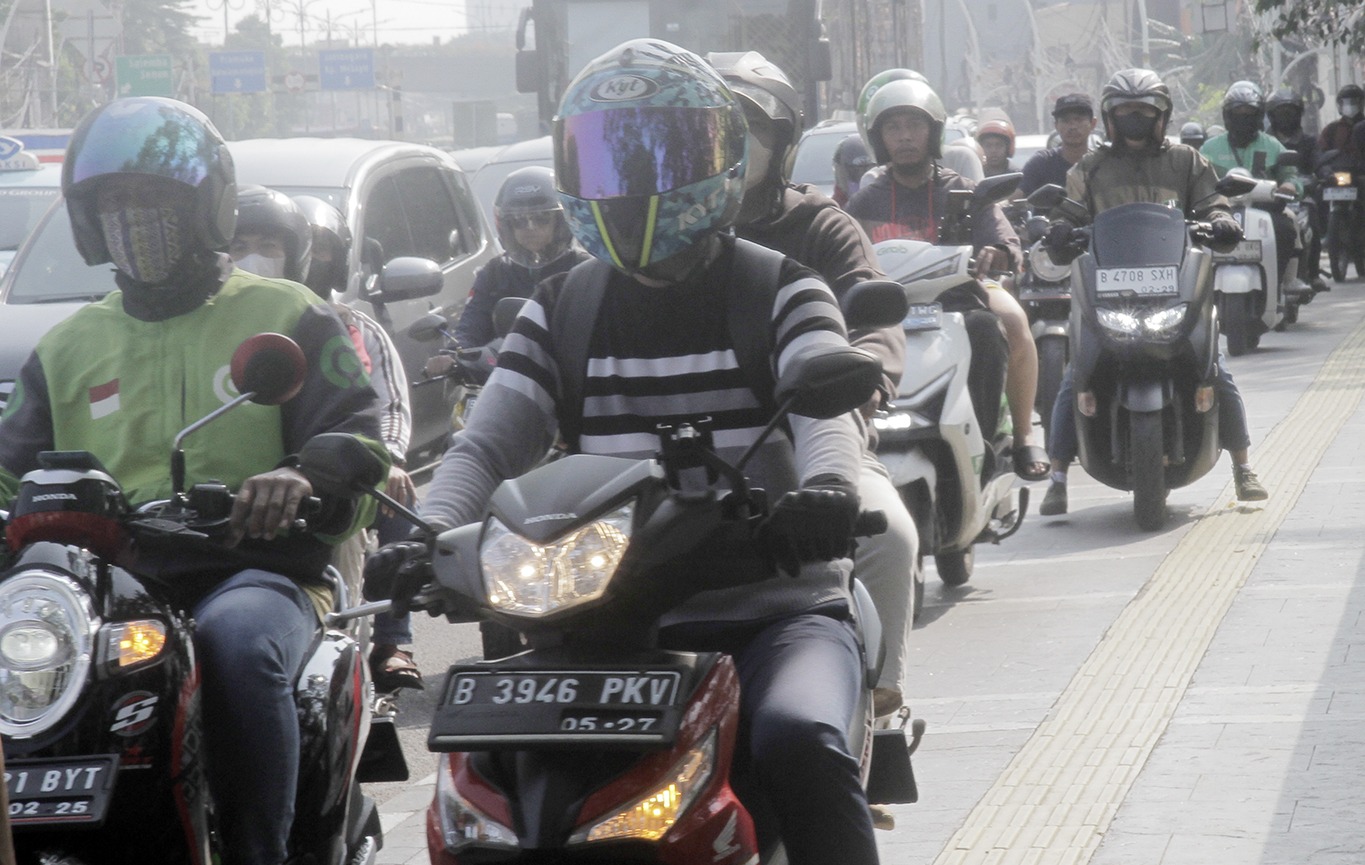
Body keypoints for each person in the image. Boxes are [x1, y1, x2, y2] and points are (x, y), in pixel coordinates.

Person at [385, 39, 879, 864]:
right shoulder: (561, 305)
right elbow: (485, 443)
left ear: (719, 160)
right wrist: (424, 531)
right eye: (608, 159)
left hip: (771, 607)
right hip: (597, 617)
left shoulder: (782, 286)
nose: (632, 184)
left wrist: (826, 489)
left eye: (660, 154)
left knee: (799, 737)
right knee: (488, 786)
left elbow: (825, 410)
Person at [0, 97, 387, 865]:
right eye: (114, 202)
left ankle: (258, 851)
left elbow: (358, 439)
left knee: (236, 643)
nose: (132, 218)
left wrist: (296, 474)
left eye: (152, 199)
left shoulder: (290, 314)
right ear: (89, 218)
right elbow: (9, 472)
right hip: (103, 594)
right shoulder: (68, 347)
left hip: (252, 572)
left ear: (202, 206)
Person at [710, 49, 917, 720]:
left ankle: (875, 709)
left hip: (806, 431)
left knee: (888, 536)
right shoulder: (643, 237)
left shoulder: (819, 226)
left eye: (745, 129)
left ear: (783, 142)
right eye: (708, 130)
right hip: (672, 448)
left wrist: (861, 387)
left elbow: (871, 314)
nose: (727, 147)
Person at [1038, 69, 1268, 515]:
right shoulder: (1090, 167)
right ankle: (1058, 475)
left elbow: (1211, 202)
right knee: (1076, 373)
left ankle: (1243, 466)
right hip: (1108, 288)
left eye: (1143, 112)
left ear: (1160, 116)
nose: (1134, 120)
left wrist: (1221, 220)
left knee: (1214, 367)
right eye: (1125, 113)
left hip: (1174, 285)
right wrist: (1059, 230)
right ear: (1109, 118)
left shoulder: (1187, 161)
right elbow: (1066, 212)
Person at [846, 75, 1049, 481]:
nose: (904, 137)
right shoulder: (864, 201)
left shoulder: (964, 190)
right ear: (878, 138)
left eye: (913, 126)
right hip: (889, 311)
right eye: (893, 128)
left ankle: (1010, 438)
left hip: (958, 302)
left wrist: (998, 253)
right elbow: (841, 251)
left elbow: (1005, 241)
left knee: (999, 327)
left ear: (933, 132)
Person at [290, 193, 425, 691]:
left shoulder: (356, 327)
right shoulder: (238, 327)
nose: (309, 257)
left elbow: (387, 403)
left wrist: (384, 460)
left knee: (395, 502)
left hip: (338, 476)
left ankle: (391, 640)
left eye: (321, 247)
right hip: (254, 484)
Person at [450, 166, 586, 350]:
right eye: (519, 220)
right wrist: (452, 353)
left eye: (542, 218)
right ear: (507, 225)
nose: (530, 227)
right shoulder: (494, 272)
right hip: (507, 370)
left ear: (560, 222)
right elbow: (470, 326)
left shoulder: (583, 269)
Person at [1200, 80, 1303, 288]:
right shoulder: (1210, 148)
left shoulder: (1272, 145)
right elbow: (1197, 177)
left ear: (1259, 116)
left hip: (1264, 207)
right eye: (1238, 112)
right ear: (1228, 115)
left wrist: (1290, 186)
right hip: (1221, 208)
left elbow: (1290, 175)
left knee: (1288, 224)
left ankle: (1287, 282)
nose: (1243, 118)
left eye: (1249, 113)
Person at [1266, 90, 1328, 292]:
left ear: (1299, 114)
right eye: (1281, 112)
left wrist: (1325, 175)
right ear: (1271, 116)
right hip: (1269, 196)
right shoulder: (1265, 141)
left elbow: (1318, 161)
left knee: (1313, 219)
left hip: (1301, 194)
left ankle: (1313, 272)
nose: (1286, 116)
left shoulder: (1309, 141)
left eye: (1290, 111)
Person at [1019, 93, 1097, 195]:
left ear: (1093, 124)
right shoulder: (1040, 164)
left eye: (1079, 120)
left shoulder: (1102, 164)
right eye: (1065, 121)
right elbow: (1014, 198)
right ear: (1056, 126)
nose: (1072, 126)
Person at [1318, 83, 1362, 161]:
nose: (1349, 106)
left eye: (1353, 102)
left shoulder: (1363, 128)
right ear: (1340, 105)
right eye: (1345, 103)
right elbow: (1321, 154)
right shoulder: (1331, 129)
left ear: (1361, 104)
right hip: (1339, 171)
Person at [832, 133, 875, 207]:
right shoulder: (833, 209)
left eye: (868, 172)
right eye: (856, 173)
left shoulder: (887, 203)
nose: (863, 180)